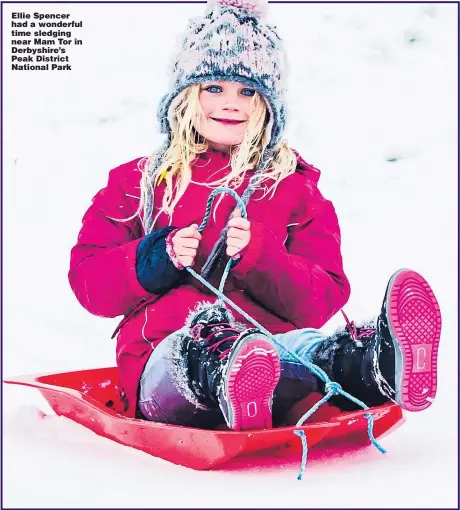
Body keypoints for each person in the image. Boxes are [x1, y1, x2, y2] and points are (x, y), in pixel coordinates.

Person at [68, 0, 441, 430]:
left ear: (269, 103)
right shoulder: (139, 182)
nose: (231, 104)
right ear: (185, 95)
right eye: (214, 88)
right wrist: (153, 258)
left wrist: (262, 257)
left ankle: (369, 363)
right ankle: (224, 369)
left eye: (247, 92)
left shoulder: (291, 186)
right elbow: (88, 279)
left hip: (269, 353)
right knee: (196, 355)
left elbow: (320, 298)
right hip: (166, 365)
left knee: (299, 350)